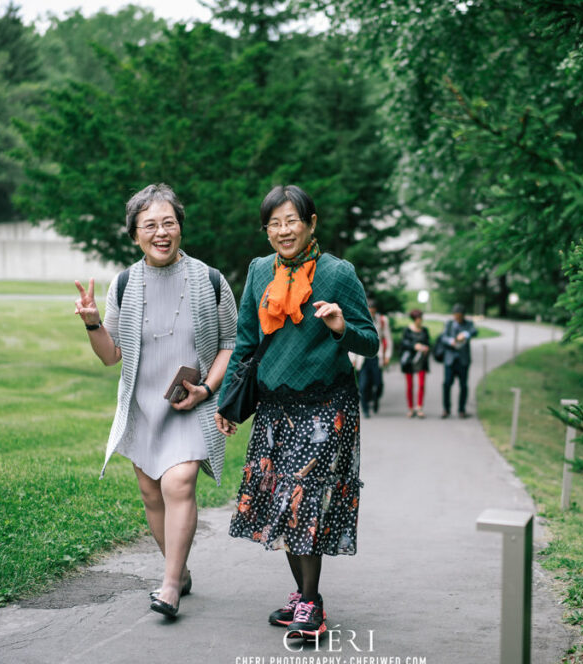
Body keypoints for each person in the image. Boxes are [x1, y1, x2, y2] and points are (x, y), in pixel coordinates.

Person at [214, 184, 378, 640]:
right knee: (282, 505)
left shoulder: (337, 273)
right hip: (274, 408)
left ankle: (310, 603)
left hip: (328, 405)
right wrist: (229, 402)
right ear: (266, 229)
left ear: (311, 223)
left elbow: (371, 341)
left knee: (304, 501)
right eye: (274, 223)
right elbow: (246, 343)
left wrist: (342, 326)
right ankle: (305, 596)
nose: (284, 231)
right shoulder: (259, 271)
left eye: (292, 221)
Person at [74, 183, 237, 618]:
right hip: (143, 407)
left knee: (178, 483)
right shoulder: (124, 284)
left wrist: (207, 389)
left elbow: (231, 343)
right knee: (151, 495)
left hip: (191, 404)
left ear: (180, 228)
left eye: (169, 223)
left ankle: (168, 585)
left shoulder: (210, 280)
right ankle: (179, 571)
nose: (161, 232)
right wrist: (93, 324)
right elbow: (112, 356)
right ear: (134, 234)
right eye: (150, 225)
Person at [353, 299, 392, 418]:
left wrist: (387, 355)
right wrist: (353, 358)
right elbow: (354, 340)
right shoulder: (359, 320)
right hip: (362, 357)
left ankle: (375, 400)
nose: (371, 313)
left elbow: (388, 339)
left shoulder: (382, 321)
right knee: (364, 385)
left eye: (373, 310)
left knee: (378, 383)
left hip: (376, 356)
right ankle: (365, 409)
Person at [441, 303, 478, 419]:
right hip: (450, 359)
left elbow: (474, 332)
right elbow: (443, 337)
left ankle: (461, 409)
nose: (456, 317)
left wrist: (465, 335)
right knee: (447, 384)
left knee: (463, 385)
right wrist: (451, 341)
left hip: (463, 360)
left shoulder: (468, 324)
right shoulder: (449, 324)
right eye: (455, 315)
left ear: (463, 315)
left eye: (459, 315)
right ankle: (446, 409)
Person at [399, 308, 431, 418]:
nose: (420, 320)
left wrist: (425, 348)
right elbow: (403, 344)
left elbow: (428, 343)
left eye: (421, 318)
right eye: (418, 318)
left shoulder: (425, 330)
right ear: (414, 319)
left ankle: (419, 407)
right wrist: (414, 346)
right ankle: (410, 408)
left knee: (421, 384)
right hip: (409, 361)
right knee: (409, 386)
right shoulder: (407, 330)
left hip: (421, 360)